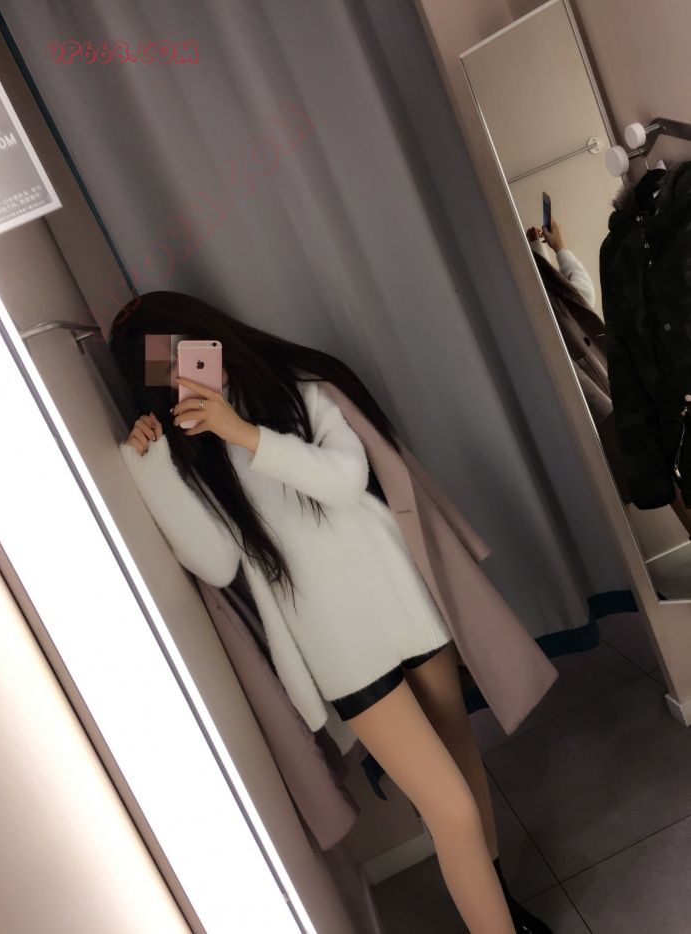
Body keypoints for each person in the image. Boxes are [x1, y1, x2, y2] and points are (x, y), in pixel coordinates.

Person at [109, 290, 553, 934]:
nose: (183, 370)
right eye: (163, 366)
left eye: (188, 350)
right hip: (338, 646)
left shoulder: (298, 392)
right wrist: (149, 467)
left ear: (210, 335)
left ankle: (501, 904)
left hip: (405, 603)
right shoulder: (192, 455)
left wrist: (243, 431)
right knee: (450, 808)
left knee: (463, 759)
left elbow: (344, 480)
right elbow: (217, 563)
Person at [527, 220, 691, 537]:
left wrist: (543, 250)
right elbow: (580, 295)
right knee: (665, 463)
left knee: (657, 467)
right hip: (599, 392)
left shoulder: (524, 286)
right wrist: (558, 248)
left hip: (591, 394)